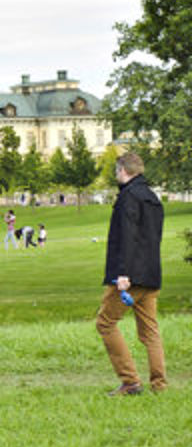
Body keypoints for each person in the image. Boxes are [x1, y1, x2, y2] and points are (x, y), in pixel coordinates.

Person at [96, 151, 166, 395]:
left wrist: (123, 274)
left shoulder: (128, 198)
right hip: (151, 274)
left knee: (105, 322)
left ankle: (130, 381)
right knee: (150, 331)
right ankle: (159, 384)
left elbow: (128, 237)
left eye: (117, 171)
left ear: (123, 171)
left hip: (130, 276)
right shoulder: (153, 198)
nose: (116, 175)